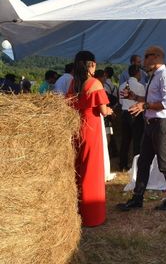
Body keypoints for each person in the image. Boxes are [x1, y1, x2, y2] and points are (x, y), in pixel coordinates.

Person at [117, 46, 166, 211]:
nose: (143, 61)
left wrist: (144, 105)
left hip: (161, 125)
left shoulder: (165, 76)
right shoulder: (155, 76)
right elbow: (151, 99)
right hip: (151, 125)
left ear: (156, 57)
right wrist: (135, 98)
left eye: (146, 57)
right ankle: (137, 199)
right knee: (143, 163)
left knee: (164, 164)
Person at [66, 50, 113, 227]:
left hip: (76, 128)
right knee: (91, 170)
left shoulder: (73, 83)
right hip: (91, 129)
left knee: (78, 169)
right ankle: (92, 216)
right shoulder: (94, 83)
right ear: (91, 64)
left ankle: (77, 212)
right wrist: (109, 111)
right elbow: (102, 110)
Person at [118, 64, 146, 171]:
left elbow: (120, 101)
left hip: (125, 113)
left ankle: (122, 165)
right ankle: (136, 165)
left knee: (125, 140)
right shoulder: (140, 86)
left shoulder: (122, 86)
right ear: (138, 73)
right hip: (135, 114)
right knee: (137, 141)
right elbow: (143, 101)